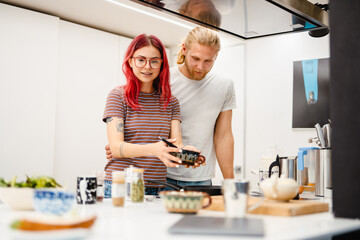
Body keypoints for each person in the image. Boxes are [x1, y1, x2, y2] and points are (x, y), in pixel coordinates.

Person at [106, 26, 236, 187]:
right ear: (184, 50)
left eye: (208, 61)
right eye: (195, 58)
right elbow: (122, 142)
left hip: (179, 179)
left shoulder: (172, 100)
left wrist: (187, 155)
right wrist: (122, 147)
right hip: (146, 179)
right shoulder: (150, 85)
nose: (200, 67)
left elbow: (221, 136)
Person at [102, 34, 199, 197]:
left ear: (162, 65)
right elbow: (116, 148)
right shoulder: (118, 96)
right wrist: (155, 149)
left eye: (154, 61)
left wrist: (188, 154)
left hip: (157, 186)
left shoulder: (171, 102)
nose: (147, 67)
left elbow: (176, 147)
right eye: (141, 60)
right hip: (121, 185)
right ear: (131, 61)